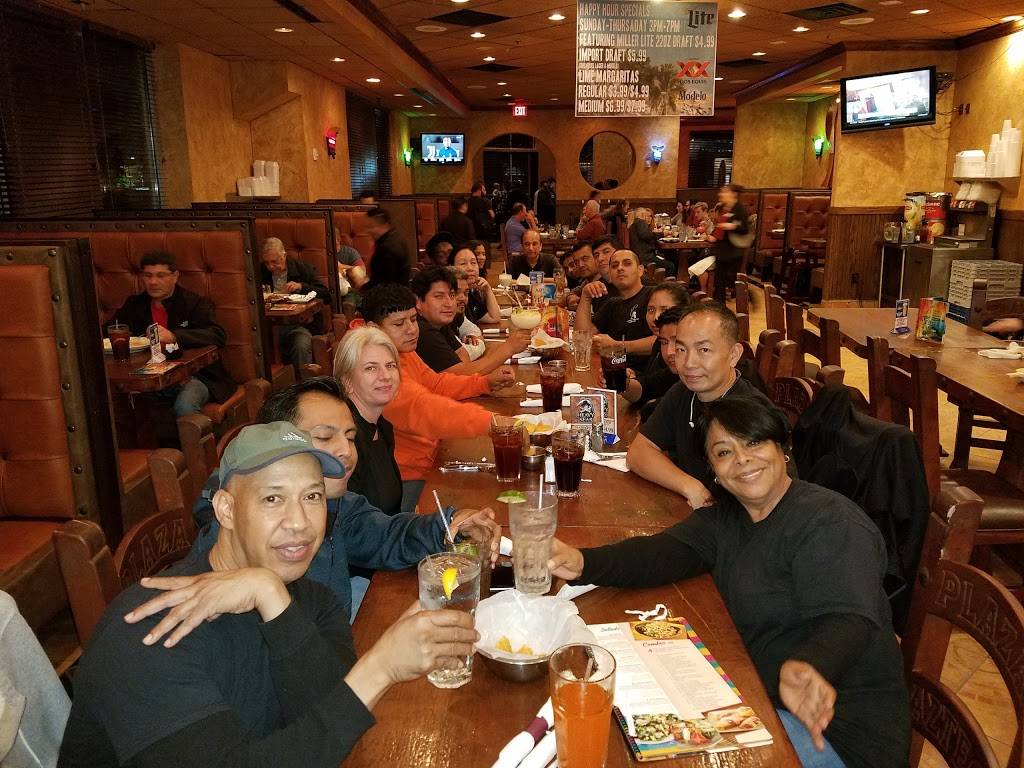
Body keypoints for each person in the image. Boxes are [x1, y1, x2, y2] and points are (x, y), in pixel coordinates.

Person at [59, 421, 480, 768]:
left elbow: (330, 731)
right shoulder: (151, 627)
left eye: (312, 496)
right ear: (225, 510)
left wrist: (270, 593)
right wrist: (381, 667)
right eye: (273, 498)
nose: (300, 522)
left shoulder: (312, 602)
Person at [547, 397, 910, 768]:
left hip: (834, 733)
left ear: (781, 448)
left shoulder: (830, 522)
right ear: (714, 471)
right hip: (757, 694)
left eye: (754, 442)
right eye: (724, 452)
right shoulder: (727, 519)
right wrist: (582, 562)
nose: (742, 459)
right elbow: (660, 554)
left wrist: (807, 665)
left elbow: (849, 619)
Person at [189, 377, 498, 619]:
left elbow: (386, 534)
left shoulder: (335, 503)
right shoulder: (239, 545)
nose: (346, 451)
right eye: (325, 437)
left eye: (350, 438)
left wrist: (451, 523)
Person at [361, 284, 511, 510]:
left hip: (432, 457)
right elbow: (423, 409)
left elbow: (436, 384)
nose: (411, 330)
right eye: (399, 324)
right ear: (373, 328)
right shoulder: (373, 371)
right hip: (405, 479)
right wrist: (491, 422)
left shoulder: (401, 352)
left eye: (413, 319)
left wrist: (484, 383)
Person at [626, 302, 780, 509]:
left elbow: (768, 504)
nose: (689, 363)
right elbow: (638, 452)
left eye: (704, 350)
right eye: (681, 349)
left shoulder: (752, 414)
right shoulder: (683, 392)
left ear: (734, 355)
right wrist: (690, 486)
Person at [112, 251, 236, 416]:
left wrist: (174, 336)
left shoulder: (193, 303)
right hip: (149, 378)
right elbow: (111, 330)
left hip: (195, 376)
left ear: (175, 276)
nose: (153, 282)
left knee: (184, 406)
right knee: (126, 407)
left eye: (161, 276)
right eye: (148, 276)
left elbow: (217, 335)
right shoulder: (135, 304)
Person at [332, 331, 404, 516]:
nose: (386, 375)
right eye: (371, 368)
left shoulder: (382, 427)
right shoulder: (346, 441)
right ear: (346, 382)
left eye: (390, 365)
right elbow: (349, 520)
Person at [411, 266, 528, 374]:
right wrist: (508, 348)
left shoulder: (439, 324)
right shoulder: (421, 331)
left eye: (451, 295)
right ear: (418, 301)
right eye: (439, 296)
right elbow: (459, 375)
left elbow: (463, 356)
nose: (449, 303)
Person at [573, 249, 655, 370]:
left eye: (627, 263)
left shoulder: (654, 295)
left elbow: (666, 339)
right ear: (610, 274)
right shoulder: (612, 304)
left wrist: (618, 346)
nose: (620, 268)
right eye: (614, 266)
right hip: (612, 371)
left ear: (640, 270)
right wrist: (585, 297)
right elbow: (581, 338)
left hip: (645, 374)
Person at [260, 237, 331, 375]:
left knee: (301, 344)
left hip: (300, 325)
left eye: (275, 262)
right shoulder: (260, 272)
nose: (271, 267)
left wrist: (302, 286)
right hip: (268, 327)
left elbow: (326, 295)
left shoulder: (302, 268)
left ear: (284, 255)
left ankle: (304, 384)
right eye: (267, 263)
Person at [621, 283, 691, 410]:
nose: (656, 317)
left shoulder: (689, 368)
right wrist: (621, 380)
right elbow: (649, 385)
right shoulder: (659, 344)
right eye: (651, 310)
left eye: (664, 310)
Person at [706, 184, 750, 303]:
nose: (721, 194)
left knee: (730, 280)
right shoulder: (723, 208)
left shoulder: (739, 209)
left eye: (724, 192)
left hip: (733, 251)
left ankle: (747, 297)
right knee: (719, 281)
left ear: (733, 194)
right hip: (721, 249)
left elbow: (745, 229)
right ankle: (719, 305)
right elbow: (718, 227)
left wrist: (733, 226)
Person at [449, 246, 500, 324]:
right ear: (451, 267)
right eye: (463, 263)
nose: (470, 268)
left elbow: (494, 318)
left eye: (473, 263)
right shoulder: (450, 297)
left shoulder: (471, 292)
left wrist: (487, 290)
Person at [364, 207, 411, 289]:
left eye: (371, 227)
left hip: (392, 295)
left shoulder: (386, 249)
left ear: (384, 225)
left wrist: (362, 287)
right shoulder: (395, 238)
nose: (368, 231)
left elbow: (384, 284)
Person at [629, 207, 676, 277]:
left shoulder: (633, 225)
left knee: (669, 257)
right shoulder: (640, 222)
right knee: (670, 266)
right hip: (646, 258)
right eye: (646, 215)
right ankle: (665, 283)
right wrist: (662, 234)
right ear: (642, 215)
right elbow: (645, 235)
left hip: (640, 257)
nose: (647, 218)